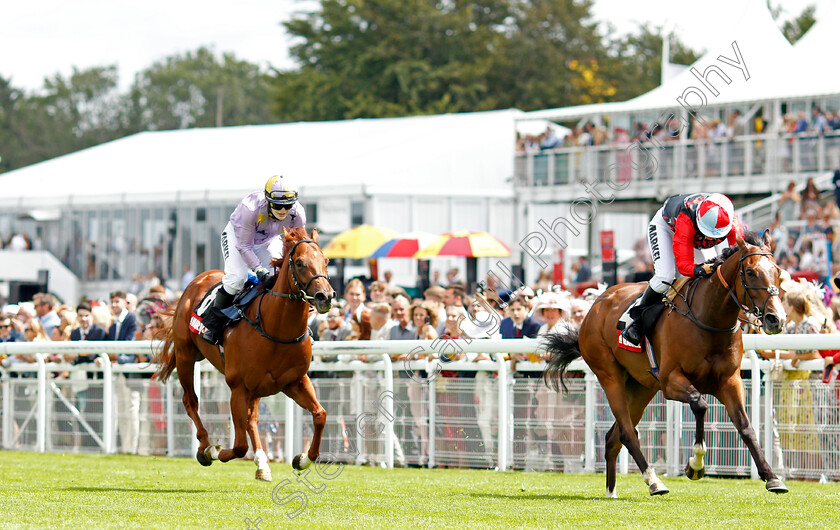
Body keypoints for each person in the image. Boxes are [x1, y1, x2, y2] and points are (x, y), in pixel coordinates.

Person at [622, 192, 744, 346]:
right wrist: (699, 270)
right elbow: (684, 265)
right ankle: (636, 319)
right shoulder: (686, 220)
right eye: (709, 235)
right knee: (664, 278)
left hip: (698, 230)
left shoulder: (731, 221)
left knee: (723, 272)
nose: (711, 240)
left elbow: (739, 255)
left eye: (715, 236)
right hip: (667, 229)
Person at [201, 175, 306, 344]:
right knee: (237, 278)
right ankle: (213, 322)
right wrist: (259, 270)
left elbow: (293, 244)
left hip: (267, 241)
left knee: (280, 279)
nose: (283, 210)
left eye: (287, 206)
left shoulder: (298, 214)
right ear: (268, 200)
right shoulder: (250, 209)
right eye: (278, 205)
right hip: (238, 238)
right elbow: (244, 247)